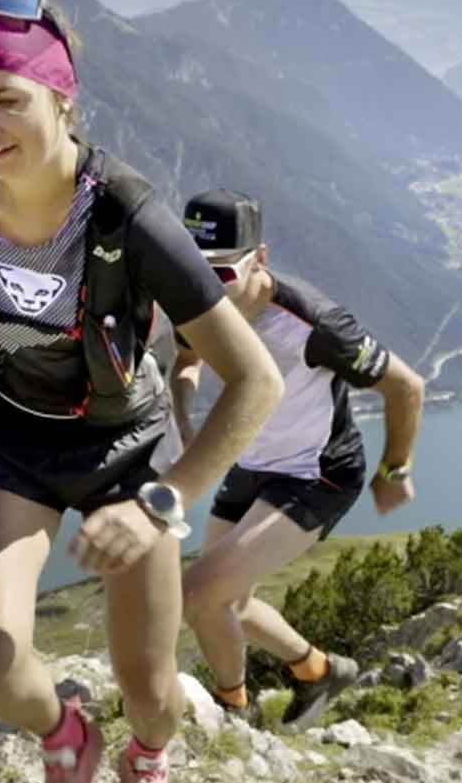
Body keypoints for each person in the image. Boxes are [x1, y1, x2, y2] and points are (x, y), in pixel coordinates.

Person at [0, 0, 283, 783]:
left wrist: (165, 500)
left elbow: (256, 380)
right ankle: (67, 740)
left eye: (8, 100)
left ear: (61, 93)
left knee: (153, 685)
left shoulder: (132, 220)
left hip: (125, 454)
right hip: (9, 436)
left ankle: (148, 755)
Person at [169, 189, 426, 731]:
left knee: (198, 595)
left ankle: (233, 712)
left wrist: (394, 469)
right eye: (193, 269)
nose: (205, 286)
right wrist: (187, 418)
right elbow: (186, 362)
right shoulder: (196, 300)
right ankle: (315, 671)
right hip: (250, 458)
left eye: (223, 273)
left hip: (317, 475)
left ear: (259, 258)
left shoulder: (314, 323)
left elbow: (407, 387)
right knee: (222, 601)